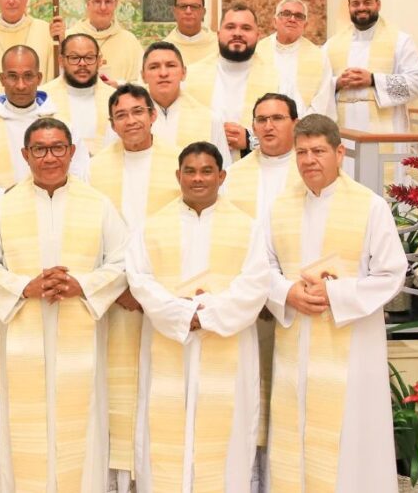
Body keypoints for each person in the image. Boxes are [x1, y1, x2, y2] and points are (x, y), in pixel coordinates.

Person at [0, 117, 128, 493]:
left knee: (82, 424)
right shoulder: (4, 206)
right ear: (25, 155)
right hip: (25, 335)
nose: (49, 157)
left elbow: (123, 262)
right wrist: (26, 286)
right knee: (27, 429)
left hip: (81, 338)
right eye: (39, 149)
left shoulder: (98, 204)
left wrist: (82, 285)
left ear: (72, 152)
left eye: (58, 148)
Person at [264, 114, 405, 491]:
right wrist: (287, 293)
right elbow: (261, 267)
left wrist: (335, 294)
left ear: (340, 152)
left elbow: (391, 273)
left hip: (351, 344)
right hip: (297, 341)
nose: (309, 160)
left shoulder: (370, 206)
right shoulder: (279, 207)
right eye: (302, 152)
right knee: (296, 434)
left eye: (318, 151)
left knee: (349, 440)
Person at [127, 141, 269, 492]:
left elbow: (256, 283)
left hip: (226, 343)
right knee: (165, 432)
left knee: (224, 439)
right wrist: (182, 313)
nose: (198, 179)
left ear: (222, 176)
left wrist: (208, 315)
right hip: (169, 343)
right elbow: (139, 280)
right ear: (178, 175)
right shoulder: (152, 227)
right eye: (189, 171)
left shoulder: (247, 227)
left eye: (207, 171)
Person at [88, 83, 181, 489]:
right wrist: (119, 285)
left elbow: (184, 228)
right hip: (115, 298)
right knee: (117, 389)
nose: (130, 121)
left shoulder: (178, 162)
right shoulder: (94, 167)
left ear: (152, 115)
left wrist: (150, 290)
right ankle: (119, 478)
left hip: (163, 294)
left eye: (137, 112)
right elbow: (90, 232)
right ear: (111, 124)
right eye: (121, 115)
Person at [220, 92, 299, 490]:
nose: (268, 127)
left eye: (277, 118)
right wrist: (256, 294)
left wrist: (280, 292)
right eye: (261, 119)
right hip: (245, 307)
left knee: (288, 398)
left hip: (294, 306)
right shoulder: (233, 176)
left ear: (295, 125)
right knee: (248, 397)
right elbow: (226, 240)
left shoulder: (309, 171)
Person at [0, 45, 89, 194]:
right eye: (13, 76)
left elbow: (81, 177)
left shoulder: (64, 128)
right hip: (0, 213)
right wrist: (5, 196)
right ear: (2, 79)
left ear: (39, 78)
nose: (21, 85)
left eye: (28, 76)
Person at [325, 0, 418, 177]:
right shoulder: (332, 44)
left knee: (382, 184)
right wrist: (337, 82)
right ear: (349, 7)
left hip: (386, 133)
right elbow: (319, 83)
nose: (361, 8)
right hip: (344, 132)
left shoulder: (400, 40)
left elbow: (417, 83)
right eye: (356, 3)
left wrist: (372, 80)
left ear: (378, 4)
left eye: (367, 2)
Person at [186, 4, 275, 159]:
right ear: (219, 34)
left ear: (258, 35)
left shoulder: (277, 77)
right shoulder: (191, 76)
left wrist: (250, 141)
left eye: (246, 28)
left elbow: (291, 133)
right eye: (230, 27)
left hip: (257, 171)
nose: (237, 33)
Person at [50, 0, 143, 83]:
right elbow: (58, 81)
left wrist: (119, 86)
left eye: (108, 2)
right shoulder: (68, 38)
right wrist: (61, 43)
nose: (103, 7)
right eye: (97, 2)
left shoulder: (130, 42)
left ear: (116, 4)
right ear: (88, 4)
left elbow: (142, 84)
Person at [141, 41, 231, 164]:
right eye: (154, 67)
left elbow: (223, 171)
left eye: (171, 65)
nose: (163, 73)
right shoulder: (130, 118)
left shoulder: (209, 119)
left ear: (184, 73)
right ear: (143, 76)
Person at [255, 0, 335, 118]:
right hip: (263, 125)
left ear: (305, 25)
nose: (292, 19)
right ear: (274, 21)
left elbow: (322, 98)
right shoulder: (257, 51)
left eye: (299, 16)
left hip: (303, 128)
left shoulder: (319, 57)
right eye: (286, 14)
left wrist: (302, 127)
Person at [38, 33, 116, 155]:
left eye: (89, 57)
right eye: (74, 58)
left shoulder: (115, 98)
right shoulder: (42, 98)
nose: (82, 63)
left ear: (99, 61)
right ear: (61, 61)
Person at [162, 0, 217, 65]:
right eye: (183, 6)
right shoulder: (164, 48)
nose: (188, 11)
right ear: (174, 12)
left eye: (194, 6)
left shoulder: (218, 46)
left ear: (203, 12)